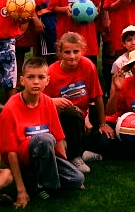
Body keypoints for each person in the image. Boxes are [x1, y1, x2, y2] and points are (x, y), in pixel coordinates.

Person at [0, 57, 85, 208]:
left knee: (77, 179)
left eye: (41, 77)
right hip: (22, 161)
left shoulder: (48, 102)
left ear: (47, 80)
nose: (36, 82)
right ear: (22, 80)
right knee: (44, 139)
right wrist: (20, 190)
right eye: (31, 77)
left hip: (45, 157)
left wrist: (64, 166)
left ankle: (35, 181)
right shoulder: (10, 108)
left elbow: (59, 139)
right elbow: (10, 153)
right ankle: (49, 188)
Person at [45, 33, 105, 172]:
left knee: (105, 140)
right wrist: (53, 101)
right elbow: (40, 103)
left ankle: (76, 149)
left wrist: (103, 123)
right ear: (60, 53)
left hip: (84, 116)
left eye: (76, 51)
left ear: (82, 51)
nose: (72, 56)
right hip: (61, 118)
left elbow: (97, 96)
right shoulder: (51, 72)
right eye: (67, 52)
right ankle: (75, 156)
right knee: (72, 113)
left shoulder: (87, 65)